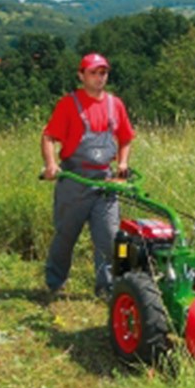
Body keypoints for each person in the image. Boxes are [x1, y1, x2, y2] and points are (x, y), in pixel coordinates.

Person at [40, 52, 135, 298]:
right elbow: (49, 137)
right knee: (66, 236)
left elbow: (125, 138)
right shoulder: (69, 104)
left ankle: (107, 289)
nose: (99, 78)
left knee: (109, 238)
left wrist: (123, 162)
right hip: (74, 180)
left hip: (105, 181)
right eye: (93, 72)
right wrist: (51, 165)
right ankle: (55, 283)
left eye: (103, 72)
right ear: (81, 75)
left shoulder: (116, 105)